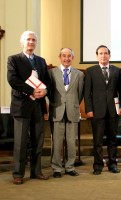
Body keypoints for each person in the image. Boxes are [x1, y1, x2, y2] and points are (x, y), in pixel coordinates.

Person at [7, 30, 51, 184]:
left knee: (38, 141)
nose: (31, 42)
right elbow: (13, 80)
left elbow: (47, 81)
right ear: (22, 42)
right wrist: (32, 91)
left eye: (33, 40)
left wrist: (45, 91)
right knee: (21, 142)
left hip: (38, 106)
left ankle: (36, 171)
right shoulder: (13, 59)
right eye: (28, 39)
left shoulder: (41, 61)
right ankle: (18, 174)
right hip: (22, 105)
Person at [84, 45, 121, 175]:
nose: (103, 55)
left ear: (109, 55)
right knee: (98, 141)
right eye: (100, 53)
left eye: (105, 53)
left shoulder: (117, 70)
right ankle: (98, 165)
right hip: (97, 111)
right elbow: (87, 93)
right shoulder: (90, 71)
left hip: (113, 111)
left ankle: (113, 164)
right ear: (97, 56)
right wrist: (88, 109)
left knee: (113, 139)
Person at [48, 48, 84, 178]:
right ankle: (56, 168)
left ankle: (70, 167)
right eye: (64, 56)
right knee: (57, 142)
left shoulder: (79, 74)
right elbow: (49, 93)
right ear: (60, 57)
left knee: (71, 141)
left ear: (72, 58)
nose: (67, 58)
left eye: (69, 56)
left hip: (72, 111)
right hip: (57, 110)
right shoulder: (51, 73)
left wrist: (73, 105)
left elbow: (80, 94)